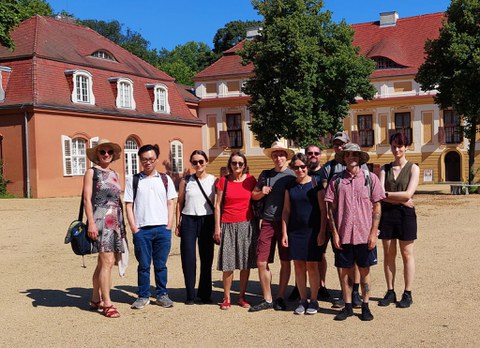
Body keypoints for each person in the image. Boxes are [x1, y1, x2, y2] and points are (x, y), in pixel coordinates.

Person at [324, 143, 385, 321]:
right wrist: (334, 233)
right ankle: (348, 305)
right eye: (348, 154)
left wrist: (374, 232)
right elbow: (330, 210)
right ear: (344, 158)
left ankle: (365, 306)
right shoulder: (336, 181)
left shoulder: (370, 178)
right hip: (343, 235)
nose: (351, 157)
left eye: (354, 155)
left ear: (359, 158)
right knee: (345, 272)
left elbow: (377, 207)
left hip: (365, 235)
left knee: (365, 271)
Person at [124, 144, 177, 310]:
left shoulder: (165, 179)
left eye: (151, 159)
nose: (148, 162)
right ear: (140, 160)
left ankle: (162, 294)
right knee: (144, 265)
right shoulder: (133, 180)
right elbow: (128, 205)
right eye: (145, 159)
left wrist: (169, 224)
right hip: (142, 230)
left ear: (156, 160)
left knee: (161, 265)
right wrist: (134, 228)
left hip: (162, 229)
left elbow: (171, 203)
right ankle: (143, 295)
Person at [249, 141, 296, 312]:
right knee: (261, 261)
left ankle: (281, 296)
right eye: (275, 155)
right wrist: (262, 192)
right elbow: (254, 196)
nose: (278, 158)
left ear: (286, 157)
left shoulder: (292, 176)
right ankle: (267, 298)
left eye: (281, 154)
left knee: (285, 261)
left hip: (285, 223)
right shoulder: (265, 174)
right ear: (272, 157)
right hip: (267, 221)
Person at [318, 132, 362, 308]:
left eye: (342, 144)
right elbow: (326, 194)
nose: (339, 147)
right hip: (338, 220)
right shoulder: (328, 168)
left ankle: (356, 292)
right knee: (341, 259)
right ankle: (346, 293)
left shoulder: (361, 167)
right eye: (336, 144)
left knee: (357, 260)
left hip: (357, 222)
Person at [84, 138, 126, 318]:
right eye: (102, 152)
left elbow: (118, 200)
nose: (106, 154)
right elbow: (87, 199)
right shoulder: (91, 173)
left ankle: (95, 298)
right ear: (97, 155)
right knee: (107, 262)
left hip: (115, 220)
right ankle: (107, 303)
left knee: (103, 262)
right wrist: (91, 222)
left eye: (109, 152)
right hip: (101, 219)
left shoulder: (115, 173)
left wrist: (122, 226)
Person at [281, 153, 327, 315]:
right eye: (297, 167)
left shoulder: (316, 184)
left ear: (307, 167)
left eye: (303, 166)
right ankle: (302, 299)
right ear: (292, 168)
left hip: (313, 231)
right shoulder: (290, 186)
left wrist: (322, 232)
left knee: (312, 266)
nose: (300, 169)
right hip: (295, 231)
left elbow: (323, 211)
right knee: (298, 266)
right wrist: (284, 232)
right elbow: (286, 211)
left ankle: (313, 300)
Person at [378, 132, 419, 308]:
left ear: (406, 147)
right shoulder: (383, 169)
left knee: (406, 254)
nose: (397, 149)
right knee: (388, 254)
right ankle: (390, 290)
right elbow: (378, 194)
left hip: (405, 215)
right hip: (387, 215)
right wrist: (398, 197)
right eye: (394, 146)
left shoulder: (413, 168)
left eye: (400, 146)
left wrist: (387, 195)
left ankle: (407, 292)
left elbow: (409, 194)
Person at [214, 151, 258, 310]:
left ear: (245, 165)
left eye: (240, 163)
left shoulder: (251, 180)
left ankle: (241, 296)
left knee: (245, 263)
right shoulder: (223, 181)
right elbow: (217, 205)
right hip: (228, 224)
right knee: (228, 263)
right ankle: (226, 297)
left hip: (247, 224)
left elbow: (256, 196)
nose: (237, 166)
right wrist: (217, 227)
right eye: (234, 163)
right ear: (230, 165)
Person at [175, 150, 215, 305]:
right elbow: (180, 202)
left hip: (207, 220)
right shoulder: (186, 181)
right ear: (191, 164)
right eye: (194, 162)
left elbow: (217, 204)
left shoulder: (213, 180)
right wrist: (178, 222)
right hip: (189, 221)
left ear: (206, 162)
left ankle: (205, 294)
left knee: (207, 258)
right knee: (188, 258)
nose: (198, 164)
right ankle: (190, 294)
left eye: (201, 161)